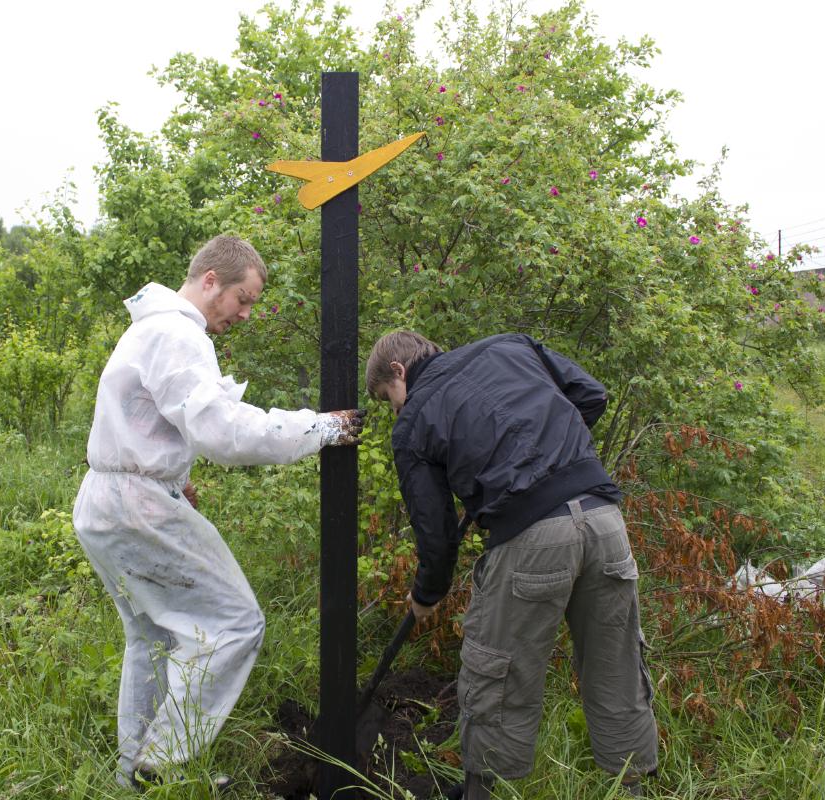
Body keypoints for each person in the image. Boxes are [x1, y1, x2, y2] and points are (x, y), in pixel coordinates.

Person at [73, 235, 365, 790]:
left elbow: (144, 423)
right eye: (243, 297)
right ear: (210, 281)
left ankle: (130, 775)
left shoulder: (150, 329)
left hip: (106, 500)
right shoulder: (179, 334)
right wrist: (319, 427)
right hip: (135, 505)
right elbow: (223, 432)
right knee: (235, 622)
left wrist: (174, 480)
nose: (247, 314)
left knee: (155, 638)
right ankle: (163, 763)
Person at [364, 330, 657, 799]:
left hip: (532, 540)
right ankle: (632, 791)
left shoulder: (414, 420)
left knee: (496, 678)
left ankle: (481, 793)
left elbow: (436, 536)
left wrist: (426, 595)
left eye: (388, 398)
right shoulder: (511, 346)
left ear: (398, 371)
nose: (395, 410)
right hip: (605, 523)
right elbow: (591, 395)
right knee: (616, 670)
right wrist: (555, 455)